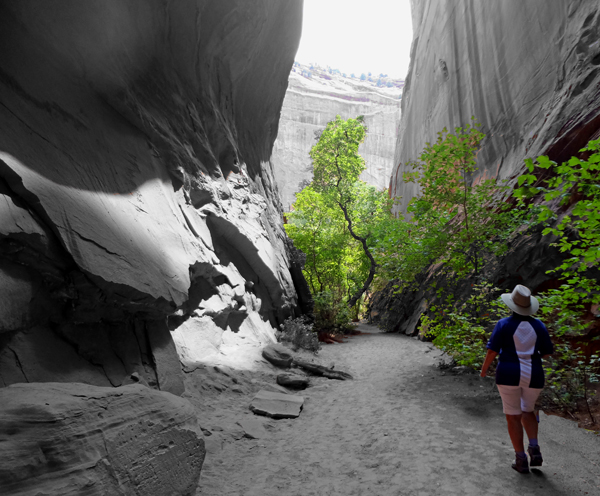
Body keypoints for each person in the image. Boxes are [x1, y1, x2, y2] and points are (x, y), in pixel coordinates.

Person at [480, 284, 554, 474]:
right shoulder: (539, 325)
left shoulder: (503, 324)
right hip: (534, 375)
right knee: (528, 410)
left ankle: (521, 460)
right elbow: (546, 353)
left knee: (513, 416)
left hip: (508, 373)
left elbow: (492, 350)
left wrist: (484, 369)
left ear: (511, 305)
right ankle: (534, 448)